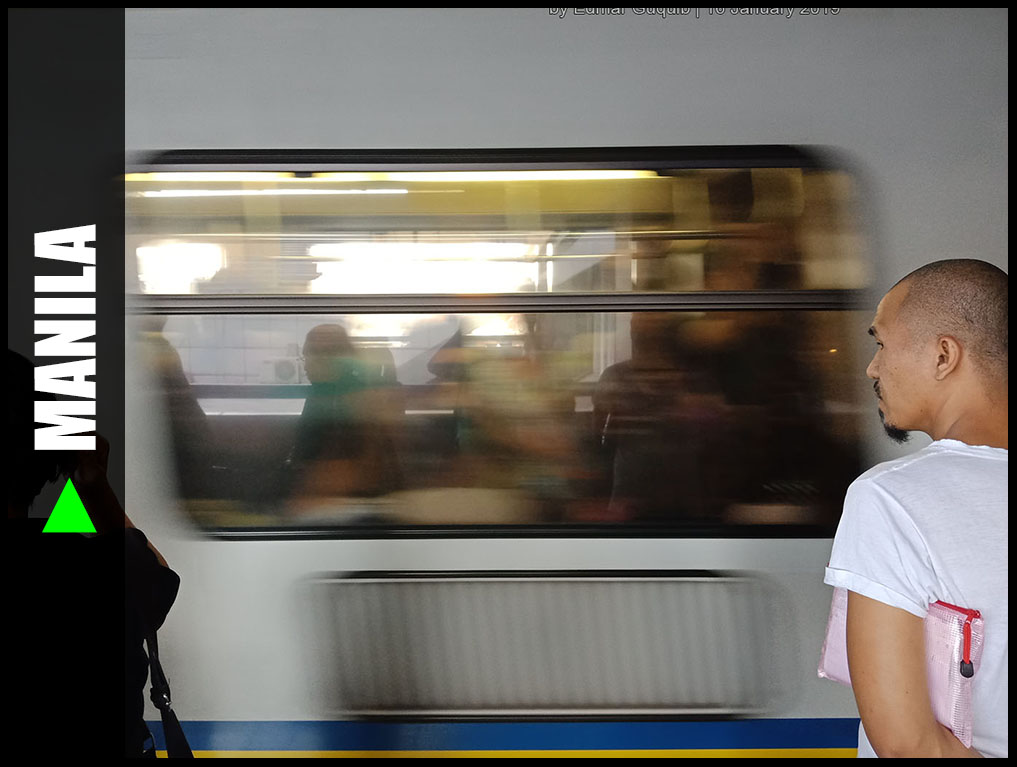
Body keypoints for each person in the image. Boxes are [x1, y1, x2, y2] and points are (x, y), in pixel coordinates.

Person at [824, 260, 1007, 758]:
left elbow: (908, 746)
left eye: (881, 343)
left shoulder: (891, 499)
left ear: (944, 355)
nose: (872, 367)